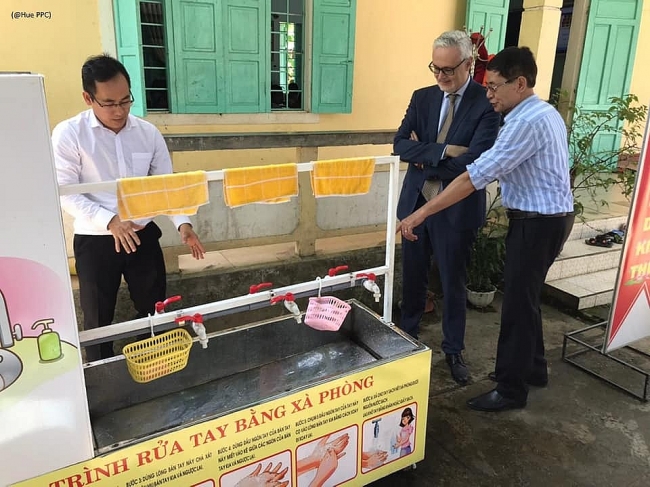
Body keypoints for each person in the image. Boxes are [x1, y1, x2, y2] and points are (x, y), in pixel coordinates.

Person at [399, 46, 575, 412]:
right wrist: (446, 151)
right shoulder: (541, 112)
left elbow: (473, 174)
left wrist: (419, 214)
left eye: (494, 86)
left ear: (520, 83)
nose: (489, 93)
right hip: (548, 217)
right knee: (526, 301)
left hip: (537, 222)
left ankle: (511, 389)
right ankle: (533, 369)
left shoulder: (525, 122)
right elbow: (405, 146)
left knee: (514, 306)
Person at [52, 54, 206, 362]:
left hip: (142, 235)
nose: (119, 110)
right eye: (109, 103)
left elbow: (165, 185)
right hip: (96, 240)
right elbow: (65, 193)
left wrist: (183, 224)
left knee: (154, 309)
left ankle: (154, 365)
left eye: (126, 100)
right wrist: (110, 221)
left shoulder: (147, 133)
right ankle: (100, 373)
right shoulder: (69, 134)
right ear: (88, 97)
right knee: (97, 316)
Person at [394, 30, 500, 385]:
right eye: (435, 69)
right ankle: (406, 340)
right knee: (412, 278)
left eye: (448, 70)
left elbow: (476, 161)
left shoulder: (486, 104)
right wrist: (444, 151)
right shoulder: (422, 97)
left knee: (453, 282)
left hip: (456, 209)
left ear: (468, 64)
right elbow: (399, 144)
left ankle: (453, 351)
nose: (440, 77)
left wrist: (423, 154)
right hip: (417, 201)